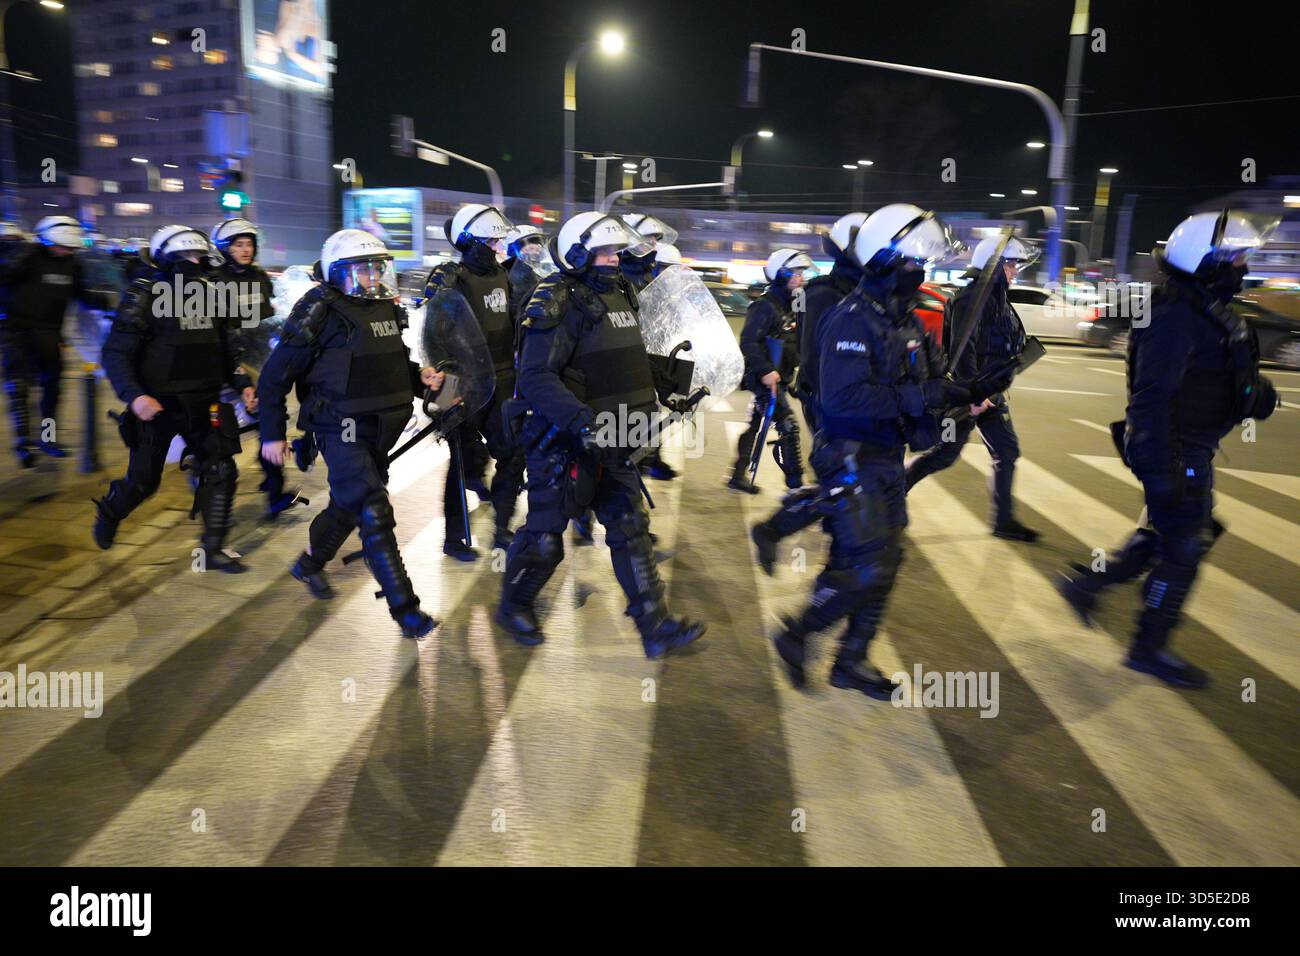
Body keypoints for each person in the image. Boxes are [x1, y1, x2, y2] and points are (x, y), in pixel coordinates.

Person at [771, 204, 1001, 699]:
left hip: (886, 455)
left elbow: (935, 379)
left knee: (882, 562)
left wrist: (970, 390)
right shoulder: (849, 321)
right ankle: (798, 632)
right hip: (851, 452)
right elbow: (843, 400)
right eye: (915, 264)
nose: (922, 273)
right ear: (883, 261)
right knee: (868, 565)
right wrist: (919, 398)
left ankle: (850, 660)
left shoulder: (906, 320)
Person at [1054, 210, 1279, 689]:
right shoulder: (1173, 313)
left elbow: (1219, 377)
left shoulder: (1205, 308)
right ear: (1203, 259)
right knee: (1187, 543)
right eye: (1234, 256)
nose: (1242, 264)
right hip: (1175, 447)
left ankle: (1088, 584)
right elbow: (1151, 396)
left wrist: (1253, 395)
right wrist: (1161, 465)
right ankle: (1147, 647)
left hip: (1191, 444)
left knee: (1173, 532)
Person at [495, 211, 706, 658]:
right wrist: (580, 423)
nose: (614, 259)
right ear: (578, 255)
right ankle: (513, 604)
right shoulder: (555, 300)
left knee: (630, 528)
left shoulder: (623, 293)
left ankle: (655, 625)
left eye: (616, 251)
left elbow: (622, 356)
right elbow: (535, 376)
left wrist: (670, 383)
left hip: (616, 438)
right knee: (546, 539)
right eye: (605, 252)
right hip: (563, 440)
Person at [258, 229, 441, 639]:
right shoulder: (319, 309)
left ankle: (309, 563)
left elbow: (392, 364)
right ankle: (406, 610)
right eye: (362, 269)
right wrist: (273, 434)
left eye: (378, 268)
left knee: (347, 504)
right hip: (338, 425)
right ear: (338, 272)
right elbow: (274, 377)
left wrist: (420, 379)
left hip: (381, 426)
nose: (372, 276)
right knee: (374, 510)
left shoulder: (386, 309)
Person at [93, 224, 252, 572]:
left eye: (198, 256)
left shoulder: (216, 293)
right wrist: (134, 397)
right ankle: (110, 511)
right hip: (158, 407)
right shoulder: (144, 293)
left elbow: (230, 346)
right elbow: (116, 352)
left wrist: (242, 382)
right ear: (167, 259)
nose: (193, 263)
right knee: (144, 482)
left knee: (221, 470)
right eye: (185, 257)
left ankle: (213, 548)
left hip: (206, 401)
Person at [748, 213, 867, 570]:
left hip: (866, 405)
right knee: (848, 480)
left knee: (857, 482)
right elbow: (817, 361)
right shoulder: (822, 296)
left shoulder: (868, 293)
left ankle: (832, 535)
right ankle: (778, 529)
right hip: (838, 406)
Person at [902, 233, 1040, 541]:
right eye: (1011, 265)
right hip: (972, 393)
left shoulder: (995, 298)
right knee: (944, 454)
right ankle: (889, 492)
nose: (1015, 271)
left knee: (1006, 450)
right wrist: (975, 396)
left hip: (989, 391)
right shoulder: (971, 299)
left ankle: (1003, 521)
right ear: (994, 265)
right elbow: (963, 350)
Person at [423, 204, 525, 557]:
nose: (499, 245)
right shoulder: (450, 278)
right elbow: (434, 338)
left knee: (513, 456)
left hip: (503, 380)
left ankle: (502, 527)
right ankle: (453, 538)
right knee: (460, 461)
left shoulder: (505, 276)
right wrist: (446, 392)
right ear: (471, 241)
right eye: (492, 239)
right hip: (462, 381)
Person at [0, 216, 115, 466]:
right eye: (60, 246)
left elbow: (80, 293)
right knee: (18, 388)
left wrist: (103, 302)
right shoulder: (27, 257)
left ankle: (48, 439)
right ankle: (23, 444)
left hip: (50, 333)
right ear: (45, 239)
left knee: (52, 389)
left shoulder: (72, 264)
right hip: (16, 332)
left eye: (69, 248)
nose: (64, 251)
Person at [209, 217, 300, 517]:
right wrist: (240, 379)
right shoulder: (213, 282)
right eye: (238, 245)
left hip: (260, 363)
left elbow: (268, 319)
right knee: (220, 436)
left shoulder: (260, 278)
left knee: (269, 424)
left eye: (249, 244)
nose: (245, 250)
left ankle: (275, 491)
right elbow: (220, 334)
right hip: (226, 366)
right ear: (225, 248)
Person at [728, 248, 814, 493]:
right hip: (764, 377)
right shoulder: (764, 305)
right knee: (788, 425)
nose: (800, 278)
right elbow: (748, 341)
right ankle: (795, 483)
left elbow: (798, 336)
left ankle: (737, 474)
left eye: (801, 273)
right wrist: (765, 370)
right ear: (780, 274)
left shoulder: (793, 302)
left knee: (755, 424)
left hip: (781, 375)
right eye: (795, 273)